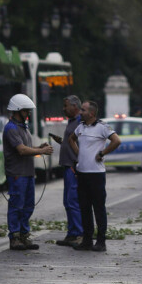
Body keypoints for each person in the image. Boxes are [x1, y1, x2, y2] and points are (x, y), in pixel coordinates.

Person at [4, 94, 54, 251]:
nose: (29, 114)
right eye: (26, 111)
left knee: (28, 206)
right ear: (18, 111)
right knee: (16, 205)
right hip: (17, 174)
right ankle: (15, 237)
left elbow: (27, 147)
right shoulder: (11, 128)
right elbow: (22, 150)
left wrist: (39, 148)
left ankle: (24, 235)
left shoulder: (23, 127)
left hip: (28, 173)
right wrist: (41, 150)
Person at [68, 100, 120, 252]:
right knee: (84, 208)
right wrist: (80, 154)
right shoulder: (81, 127)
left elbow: (116, 141)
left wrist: (102, 153)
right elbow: (71, 139)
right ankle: (87, 240)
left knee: (98, 208)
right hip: (82, 173)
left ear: (91, 113)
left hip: (96, 175)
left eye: (83, 110)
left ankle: (101, 241)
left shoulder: (102, 127)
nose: (80, 112)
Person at [53, 95, 83, 247]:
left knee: (73, 201)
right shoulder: (72, 122)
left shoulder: (79, 122)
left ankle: (78, 233)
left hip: (73, 167)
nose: (64, 109)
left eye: (66, 106)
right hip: (67, 166)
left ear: (74, 107)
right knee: (67, 201)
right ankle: (72, 233)